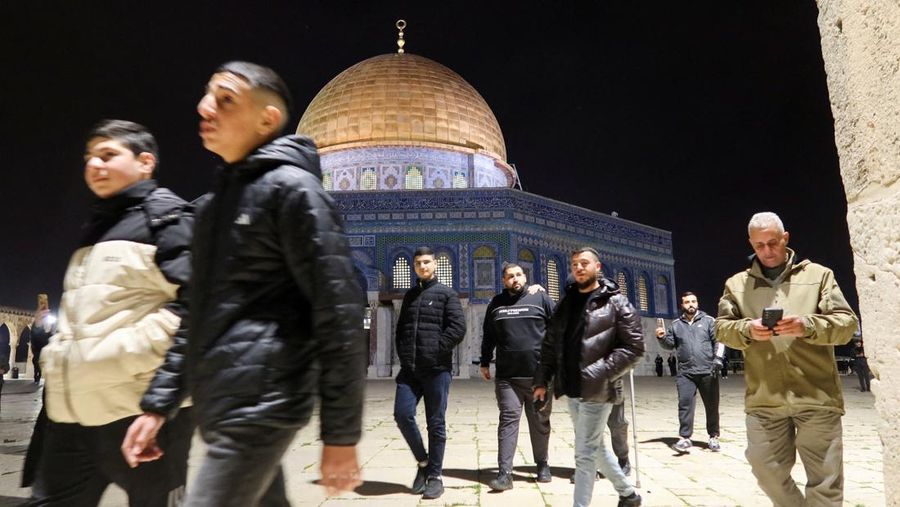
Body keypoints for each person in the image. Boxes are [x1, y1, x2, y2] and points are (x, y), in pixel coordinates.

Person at [122, 61, 368, 506]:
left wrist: (340, 434)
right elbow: (197, 315)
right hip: (225, 403)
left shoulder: (295, 191)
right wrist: (158, 405)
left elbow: (339, 314)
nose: (205, 107)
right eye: (207, 94)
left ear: (267, 119)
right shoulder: (215, 208)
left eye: (226, 99)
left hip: (262, 404)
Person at [26, 119, 195, 506]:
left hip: (141, 416)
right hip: (72, 418)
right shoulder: (96, 229)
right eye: (89, 156)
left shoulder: (169, 219)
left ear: (145, 162)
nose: (94, 165)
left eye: (107, 155)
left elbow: (197, 310)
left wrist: (157, 404)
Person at [716, 211, 858, 506]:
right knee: (764, 469)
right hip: (764, 399)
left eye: (773, 243)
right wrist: (748, 329)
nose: (767, 251)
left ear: (785, 238)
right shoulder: (737, 284)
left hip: (816, 396)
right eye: (759, 245)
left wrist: (807, 326)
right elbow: (721, 329)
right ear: (751, 244)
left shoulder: (819, 276)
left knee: (826, 481)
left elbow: (846, 324)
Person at [534, 247, 643, 507]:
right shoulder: (566, 303)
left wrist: (600, 372)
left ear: (598, 267)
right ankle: (628, 494)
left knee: (584, 454)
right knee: (595, 447)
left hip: (599, 390)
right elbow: (550, 345)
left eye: (584, 263)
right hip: (572, 388)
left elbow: (635, 347)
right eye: (575, 264)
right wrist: (541, 380)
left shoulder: (616, 303)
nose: (579, 268)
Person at [394, 246, 467, 500]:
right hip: (410, 371)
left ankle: (435, 477)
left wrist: (436, 350)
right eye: (418, 263)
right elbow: (401, 329)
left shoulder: (446, 294)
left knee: (436, 423)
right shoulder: (410, 295)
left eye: (426, 262)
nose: (422, 266)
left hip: (436, 370)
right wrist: (404, 355)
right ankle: (424, 463)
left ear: (435, 264)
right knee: (402, 415)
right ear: (414, 266)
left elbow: (458, 328)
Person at [480, 262, 554, 491]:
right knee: (508, 421)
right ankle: (505, 474)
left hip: (538, 377)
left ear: (525, 277)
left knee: (539, 422)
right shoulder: (496, 303)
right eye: (510, 276)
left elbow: (558, 328)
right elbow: (488, 335)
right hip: (508, 377)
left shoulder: (540, 298)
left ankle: (542, 464)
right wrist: (484, 361)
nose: (515, 279)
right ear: (504, 280)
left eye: (519, 275)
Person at [656, 291, 723, 453]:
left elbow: (719, 340)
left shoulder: (709, 321)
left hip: (708, 370)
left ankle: (713, 436)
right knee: (685, 404)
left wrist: (718, 359)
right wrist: (661, 337)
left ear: (697, 303)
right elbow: (669, 345)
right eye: (687, 302)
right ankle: (685, 438)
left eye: (693, 301)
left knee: (712, 405)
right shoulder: (676, 325)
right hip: (686, 372)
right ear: (682, 305)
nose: (691, 304)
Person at [30, 294, 55, 384]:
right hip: (39, 352)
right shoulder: (38, 327)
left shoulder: (49, 327)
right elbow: (36, 333)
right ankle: (37, 375)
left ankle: (38, 375)